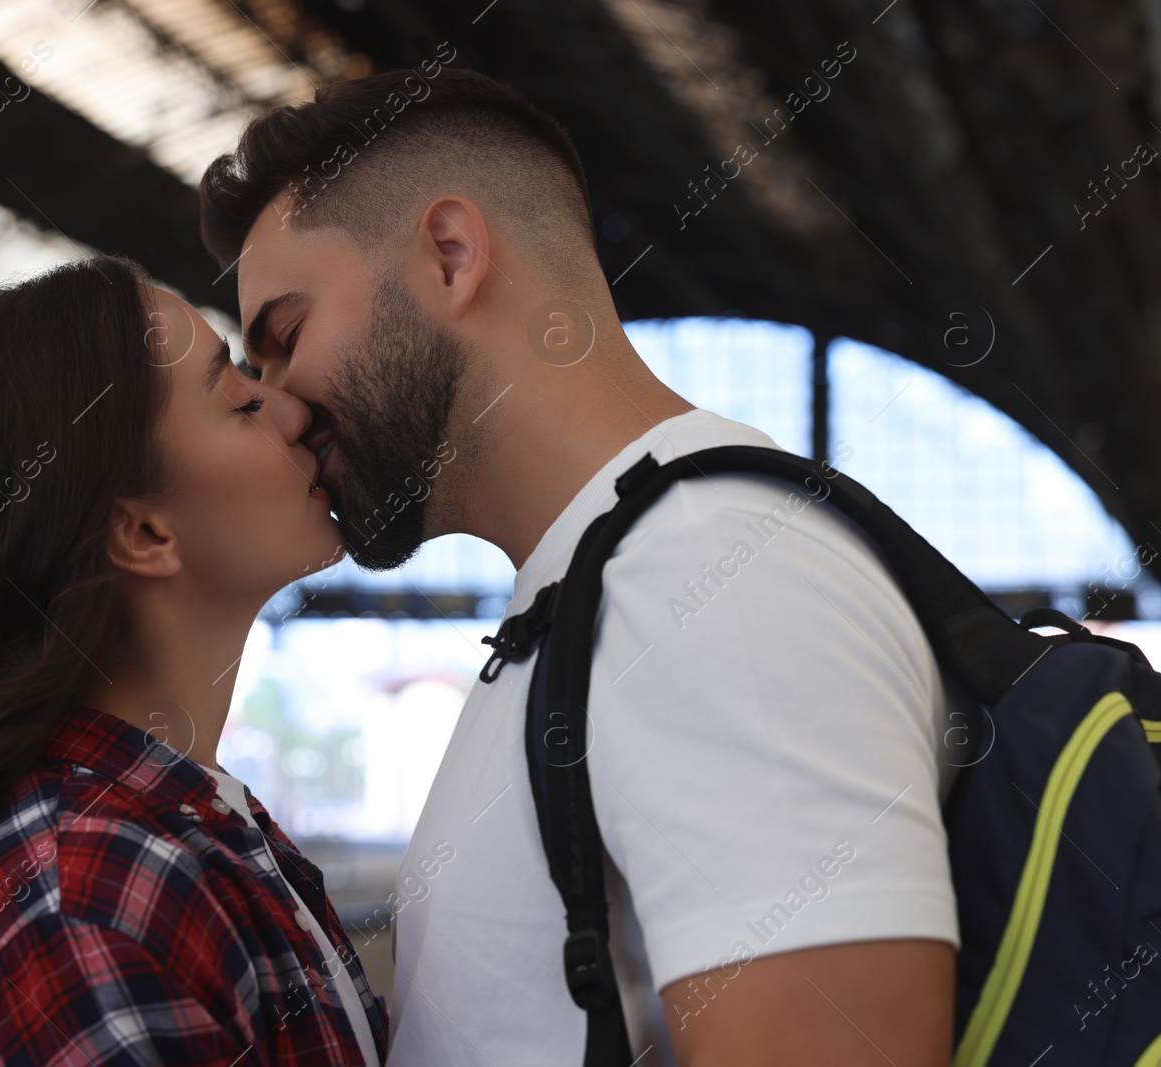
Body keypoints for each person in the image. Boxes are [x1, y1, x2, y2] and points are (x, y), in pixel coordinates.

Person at [200, 67, 964, 1066]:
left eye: (285, 339)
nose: (280, 406)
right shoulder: (598, 586)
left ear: (448, 254)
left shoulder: (705, 573)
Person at [0, 256, 388, 1067]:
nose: (290, 409)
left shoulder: (175, 832)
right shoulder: (82, 906)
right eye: (239, 398)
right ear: (144, 533)